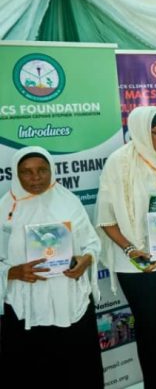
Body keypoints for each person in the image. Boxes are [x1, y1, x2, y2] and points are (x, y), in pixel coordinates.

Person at [96, 106, 156, 388]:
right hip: (137, 263)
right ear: (141, 133)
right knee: (150, 332)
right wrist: (131, 250)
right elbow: (106, 219)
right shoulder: (119, 162)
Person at [0, 146, 103, 387]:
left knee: (78, 373)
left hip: (70, 303)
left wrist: (86, 259)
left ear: (51, 170)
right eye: (27, 172)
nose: (35, 177)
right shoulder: (5, 210)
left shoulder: (69, 201)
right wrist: (13, 272)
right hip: (26, 308)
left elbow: (92, 242)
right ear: (16, 174)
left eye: (42, 170)